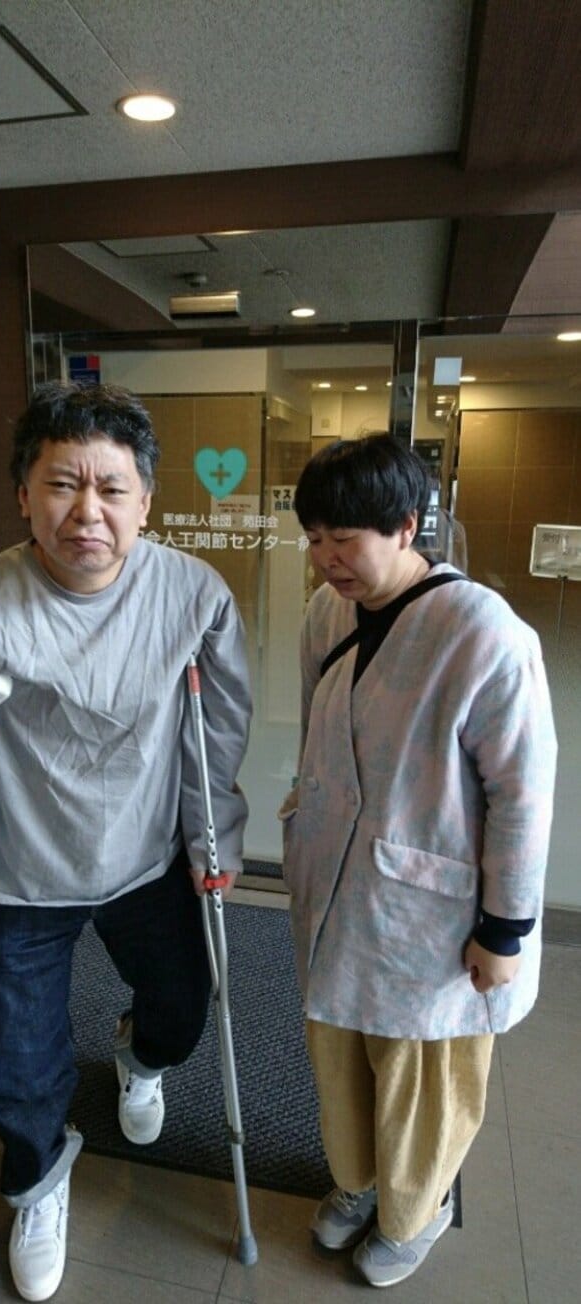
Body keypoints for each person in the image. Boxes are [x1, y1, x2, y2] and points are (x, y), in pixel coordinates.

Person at [0, 381, 251, 1302]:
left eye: (112, 489)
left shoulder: (193, 595)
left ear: (146, 501)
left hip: (145, 858)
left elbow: (220, 729)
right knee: (16, 1064)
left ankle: (138, 1059)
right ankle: (38, 1180)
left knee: (183, 1007)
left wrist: (216, 839)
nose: (88, 512)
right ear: (23, 496)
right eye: (62, 485)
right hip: (15, 871)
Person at [279, 435, 556, 1289]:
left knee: (419, 1072)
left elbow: (523, 793)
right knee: (339, 1051)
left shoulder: (482, 631)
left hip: (434, 910)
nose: (327, 559)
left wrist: (504, 930)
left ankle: (416, 1209)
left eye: (345, 539)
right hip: (337, 884)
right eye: (314, 538)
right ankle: (358, 1182)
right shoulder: (325, 614)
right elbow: (318, 736)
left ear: (406, 526)